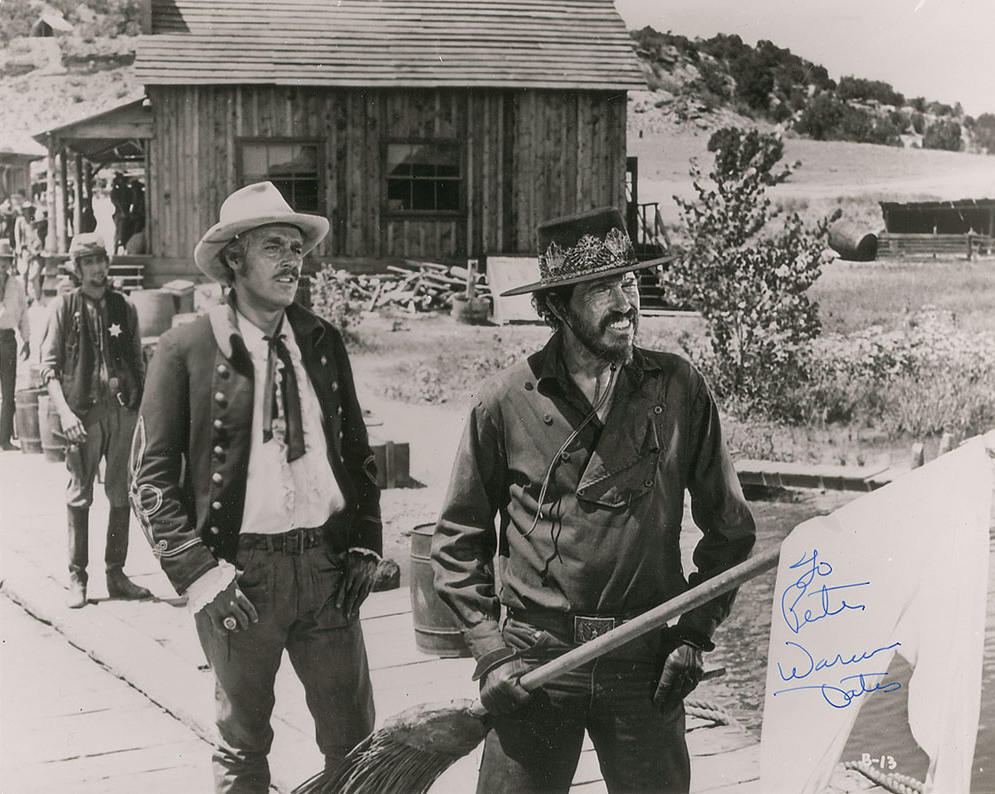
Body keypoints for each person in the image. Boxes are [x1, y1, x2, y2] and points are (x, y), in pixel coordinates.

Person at [432, 207, 757, 794]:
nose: (625, 303)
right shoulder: (505, 401)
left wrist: (693, 634)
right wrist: (490, 652)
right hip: (536, 660)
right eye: (602, 289)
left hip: (645, 657)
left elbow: (731, 531)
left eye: (629, 282)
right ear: (556, 306)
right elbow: (457, 542)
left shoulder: (678, 388)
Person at [128, 181, 382, 793]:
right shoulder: (186, 348)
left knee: (355, 743)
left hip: (327, 570)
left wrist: (364, 543)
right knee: (243, 746)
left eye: (297, 248)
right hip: (239, 579)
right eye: (274, 247)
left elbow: (356, 455)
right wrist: (200, 576)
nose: (292, 261)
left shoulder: (320, 340)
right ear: (234, 259)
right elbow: (150, 479)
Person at [39, 232, 151, 608]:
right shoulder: (64, 307)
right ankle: (78, 577)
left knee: (121, 493)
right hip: (82, 416)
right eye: (89, 262)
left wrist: (139, 411)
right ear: (77, 268)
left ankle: (116, 574)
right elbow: (49, 369)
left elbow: (138, 363)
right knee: (79, 494)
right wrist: (66, 414)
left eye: (101, 260)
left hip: (122, 412)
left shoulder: (124, 307)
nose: (98, 268)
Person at [0, 238, 30, 451]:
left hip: (8, 339)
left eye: (7, 260)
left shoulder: (17, 286)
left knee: (8, 392)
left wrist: (27, 340)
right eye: (0, 259)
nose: (3, 264)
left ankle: (4, 439)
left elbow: (24, 314)